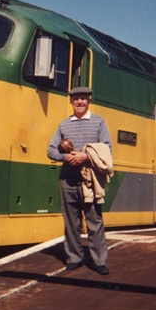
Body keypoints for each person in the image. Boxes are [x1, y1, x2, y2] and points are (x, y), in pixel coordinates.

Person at [47, 86, 113, 274]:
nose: (79, 102)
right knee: (71, 222)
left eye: (83, 98)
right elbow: (51, 150)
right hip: (68, 179)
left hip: (90, 181)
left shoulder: (99, 123)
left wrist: (85, 157)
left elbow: (107, 148)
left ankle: (99, 261)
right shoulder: (63, 125)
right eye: (76, 99)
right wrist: (66, 157)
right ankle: (74, 258)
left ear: (89, 100)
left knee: (94, 221)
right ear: (71, 101)